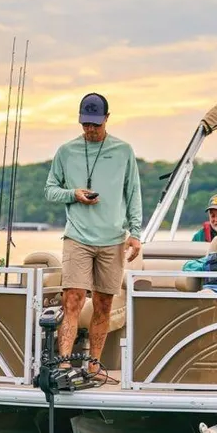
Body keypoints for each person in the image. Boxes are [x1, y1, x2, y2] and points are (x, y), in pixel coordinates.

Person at [44, 92, 143, 372]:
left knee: (102, 305)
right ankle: (63, 365)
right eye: (85, 124)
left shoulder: (124, 151)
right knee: (72, 300)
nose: (90, 129)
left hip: (113, 240)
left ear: (107, 119)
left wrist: (135, 233)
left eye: (95, 124)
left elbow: (133, 193)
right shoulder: (66, 151)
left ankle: (94, 366)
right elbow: (50, 190)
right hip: (77, 237)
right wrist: (73, 194)